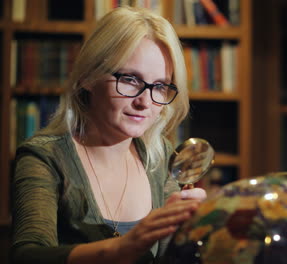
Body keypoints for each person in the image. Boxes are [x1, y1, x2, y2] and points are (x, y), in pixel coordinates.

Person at [10, 6, 206, 264]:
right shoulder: (45, 158)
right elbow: (27, 256)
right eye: (130, 79)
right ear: (88, 78)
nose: (145, 102)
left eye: (159, 86)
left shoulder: (161, 159)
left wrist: (199, 230)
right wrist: (123, 248)